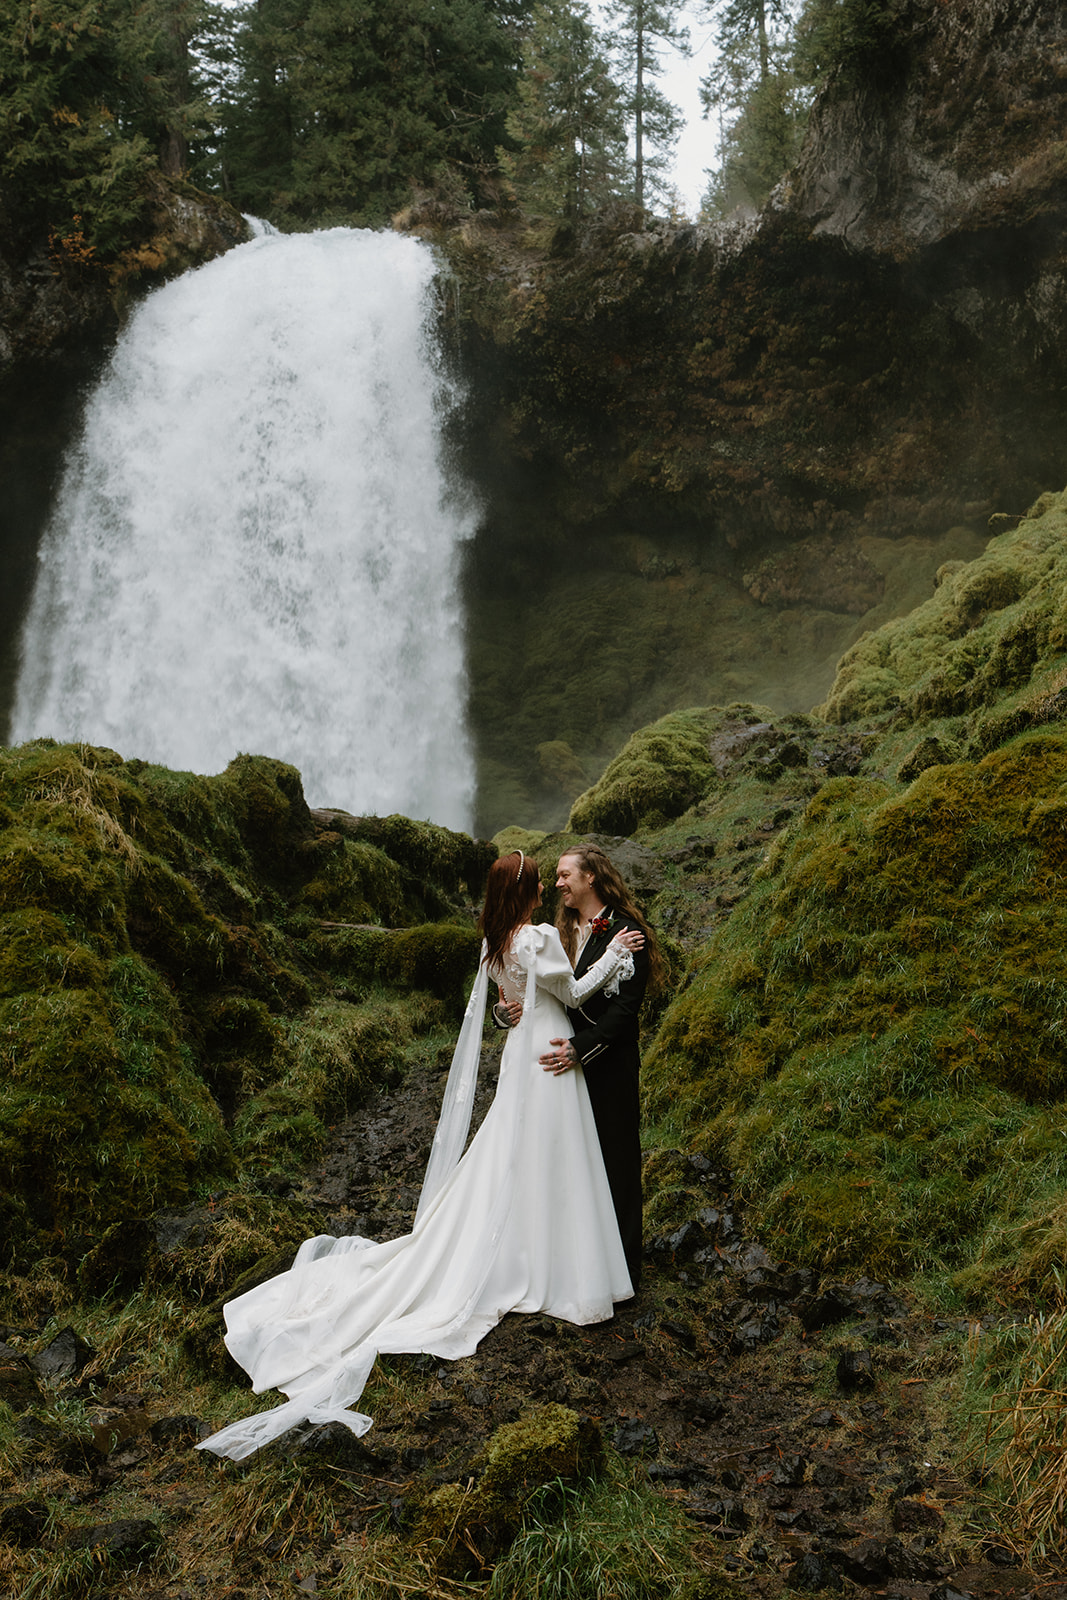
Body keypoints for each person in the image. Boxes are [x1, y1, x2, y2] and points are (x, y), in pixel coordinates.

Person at [196, 850, 643, 1461]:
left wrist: (517, 1005)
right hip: (545, 1051)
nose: (548, 884)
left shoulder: (495, 941)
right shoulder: (537, 935)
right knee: (546, 1155)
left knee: (516, 1155)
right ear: (529, 890)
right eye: (542, 878)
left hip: (522, 1052)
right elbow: (573, 988)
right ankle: (549, 1258)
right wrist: (616, 956)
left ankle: (528, 1245)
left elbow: (511, 1001)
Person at [539, 845, 658, 1291]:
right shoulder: (561, 930)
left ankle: (624, 1271)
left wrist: (579, 1049)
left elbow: (626, 1011)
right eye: (555, 875)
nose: (558, 883)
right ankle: (578, 1262)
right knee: (571, 1160)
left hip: (608, 1064)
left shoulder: (627, 933)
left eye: (565, 874)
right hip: (564, 1063)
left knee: (616, 1161)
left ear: (591, 877)